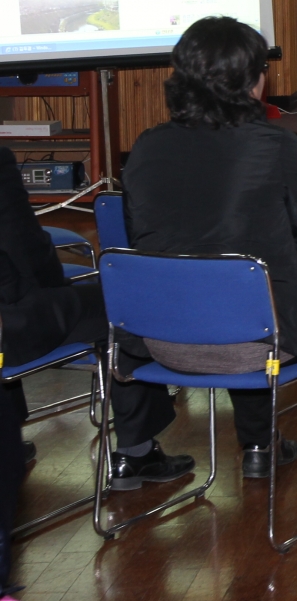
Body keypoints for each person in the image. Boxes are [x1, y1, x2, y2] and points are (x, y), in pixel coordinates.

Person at [121, 17, 297, 483]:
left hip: (163, 341)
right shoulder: (275, 144)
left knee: (239, 296)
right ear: (254, 82)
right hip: (254, 344)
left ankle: (260, 445)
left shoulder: (145, 147)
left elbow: (140, 244)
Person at [0, 147, 195, 494]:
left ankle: (8, 435)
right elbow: (24, 244)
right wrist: (55, 288)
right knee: (121, 306)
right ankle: (137, 452)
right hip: (10, 330)